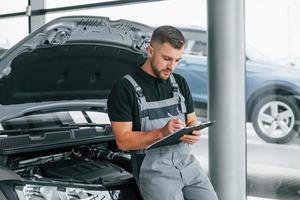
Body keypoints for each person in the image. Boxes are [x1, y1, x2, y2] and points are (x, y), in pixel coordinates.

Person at [107, 25, 218, 200]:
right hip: (155, 172)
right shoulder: (124, 89)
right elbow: (123, 141)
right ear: (150, 51)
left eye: (177, 60)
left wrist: (193, 131)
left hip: (187, 164)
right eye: (166, 58)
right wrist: (162, 132)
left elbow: (191, 121)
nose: (171, 66)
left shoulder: (179, 83)